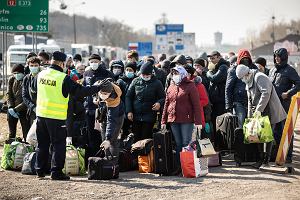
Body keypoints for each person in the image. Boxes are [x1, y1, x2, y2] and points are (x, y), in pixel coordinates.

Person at [35, 51, 110, 180]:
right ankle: (56, 172)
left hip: (41, 115)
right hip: (56, 116)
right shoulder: (62, 77)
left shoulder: (41, 74)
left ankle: (39, 170)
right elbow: (80, 92)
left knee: (42, 144)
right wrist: (97, 88)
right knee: (58, 145)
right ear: (61, 63)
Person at [236, 64, 286, 168]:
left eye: (242, 78)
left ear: (247, 73)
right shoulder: (248, 80)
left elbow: (266, 93)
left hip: (269, 109)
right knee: (257, 135)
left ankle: (266, 161)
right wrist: (250, 116)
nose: (242, 80)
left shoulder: (260, 77)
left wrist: (259, 110)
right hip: (258, 111)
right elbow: (249, 99)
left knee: (267, 135)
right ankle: (261, 159)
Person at [161, 66, 202, 174]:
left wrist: (198, 122)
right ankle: (179, 166)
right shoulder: (171, 86)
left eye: (177, 73)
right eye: (173, 73)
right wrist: (163, 121)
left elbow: (197, 105)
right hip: (173, 119)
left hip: (186, 120)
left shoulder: (190, 86)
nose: (175, 75)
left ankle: (187, 167)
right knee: (178, 143)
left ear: (182, 74)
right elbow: (166, 104)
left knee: (185, 143)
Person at [269, 48, 300, 163]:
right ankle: (277, 155)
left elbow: (298, 83)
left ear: (284, 57)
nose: (276, 58)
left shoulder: (290, 70)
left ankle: (288, 156)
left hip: (285, 105)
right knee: (276, 131)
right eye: (275, 56)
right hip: (274, 105)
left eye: (279, 56)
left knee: (286, 130)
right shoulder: (272, 70)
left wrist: (288, 93)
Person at [83, 54, 114, 158]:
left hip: (102, 109)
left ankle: (104, 157)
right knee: (91, 135)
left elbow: (111, 90)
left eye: (96, 62)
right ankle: (93, 158)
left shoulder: (106, 73)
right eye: (92, 62)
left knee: (103, 133)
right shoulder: (86, 73)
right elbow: (84, 88)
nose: (93, 64)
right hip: (89, 108)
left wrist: (100, 99)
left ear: (100, 62)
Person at [126, 61, 165, 142]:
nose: (145, 76)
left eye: (147, 75)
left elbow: (163, 97)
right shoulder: (135, 81)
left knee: (145, 139)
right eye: (143, 75)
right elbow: (128, 96)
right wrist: (129, 111)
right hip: (135, 116)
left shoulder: (157, 83)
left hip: (149, 117)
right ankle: (136, 155)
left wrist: (159, 103)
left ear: (151, 74)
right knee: (136, 139)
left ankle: (145, 155)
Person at [225, 49, 257, 128]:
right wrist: (228, 105)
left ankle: (249, 140)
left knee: (251, 125)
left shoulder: (254, 68)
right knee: (240, 124)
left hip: (252, 101)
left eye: (247, 59)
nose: (245, 61)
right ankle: (240, 140)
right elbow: (228, 88)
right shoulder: (233, 70)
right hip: (238, 102)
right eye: (243, 59)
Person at [96, 80, 125, 157]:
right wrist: (95, 98)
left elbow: (112, 120)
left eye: (105, 94)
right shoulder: (99, 85)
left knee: (112, 141)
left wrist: (108, 138)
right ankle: (106, 161)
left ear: (110, 92)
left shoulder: (114, 99)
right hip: (103, 115)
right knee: (103, 140)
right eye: (101, 93)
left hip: (116, 118)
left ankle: (113, 164)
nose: (102, 95)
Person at [206, 51, 228, 139]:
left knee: (219, 123)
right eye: (210, 58)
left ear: (219, 57)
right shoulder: (216, 67)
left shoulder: (223, 67)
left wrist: (208, 73)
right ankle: (217, 141)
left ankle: (221, 143)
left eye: (213, 58)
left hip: (220, 100)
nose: (211, 60)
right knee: (215, 122)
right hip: (215, 99)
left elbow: (214, 79)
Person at [7, 64, 30, 141]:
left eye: (18, 73)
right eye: (15, 73)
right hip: (12, 109)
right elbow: (9, 94)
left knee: (26, 131)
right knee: (11, 132)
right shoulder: (11, 80)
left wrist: (16, 109)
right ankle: (11, 146)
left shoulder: (27, 80)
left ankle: (26, 146)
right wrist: (10, 107)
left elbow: (27, 98)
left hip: (23, 109)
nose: (16, 75)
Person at [117, 62, 137, 139]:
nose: (128, 71)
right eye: (127, 70)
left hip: (134, 109)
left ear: (134, 71)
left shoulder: (137, 80)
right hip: (123, 108)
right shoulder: (121, 81)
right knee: (124, 130)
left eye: (130, 70)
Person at [22, 56, 40, 126]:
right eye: (31, 65)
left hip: (43, 109)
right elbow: (24, 96)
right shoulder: (26, 78)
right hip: (32, 110)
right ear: (28, 66)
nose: (33, 67)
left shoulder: (43, 76)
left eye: (36, 65)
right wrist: (33, 107)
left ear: (39, 66)